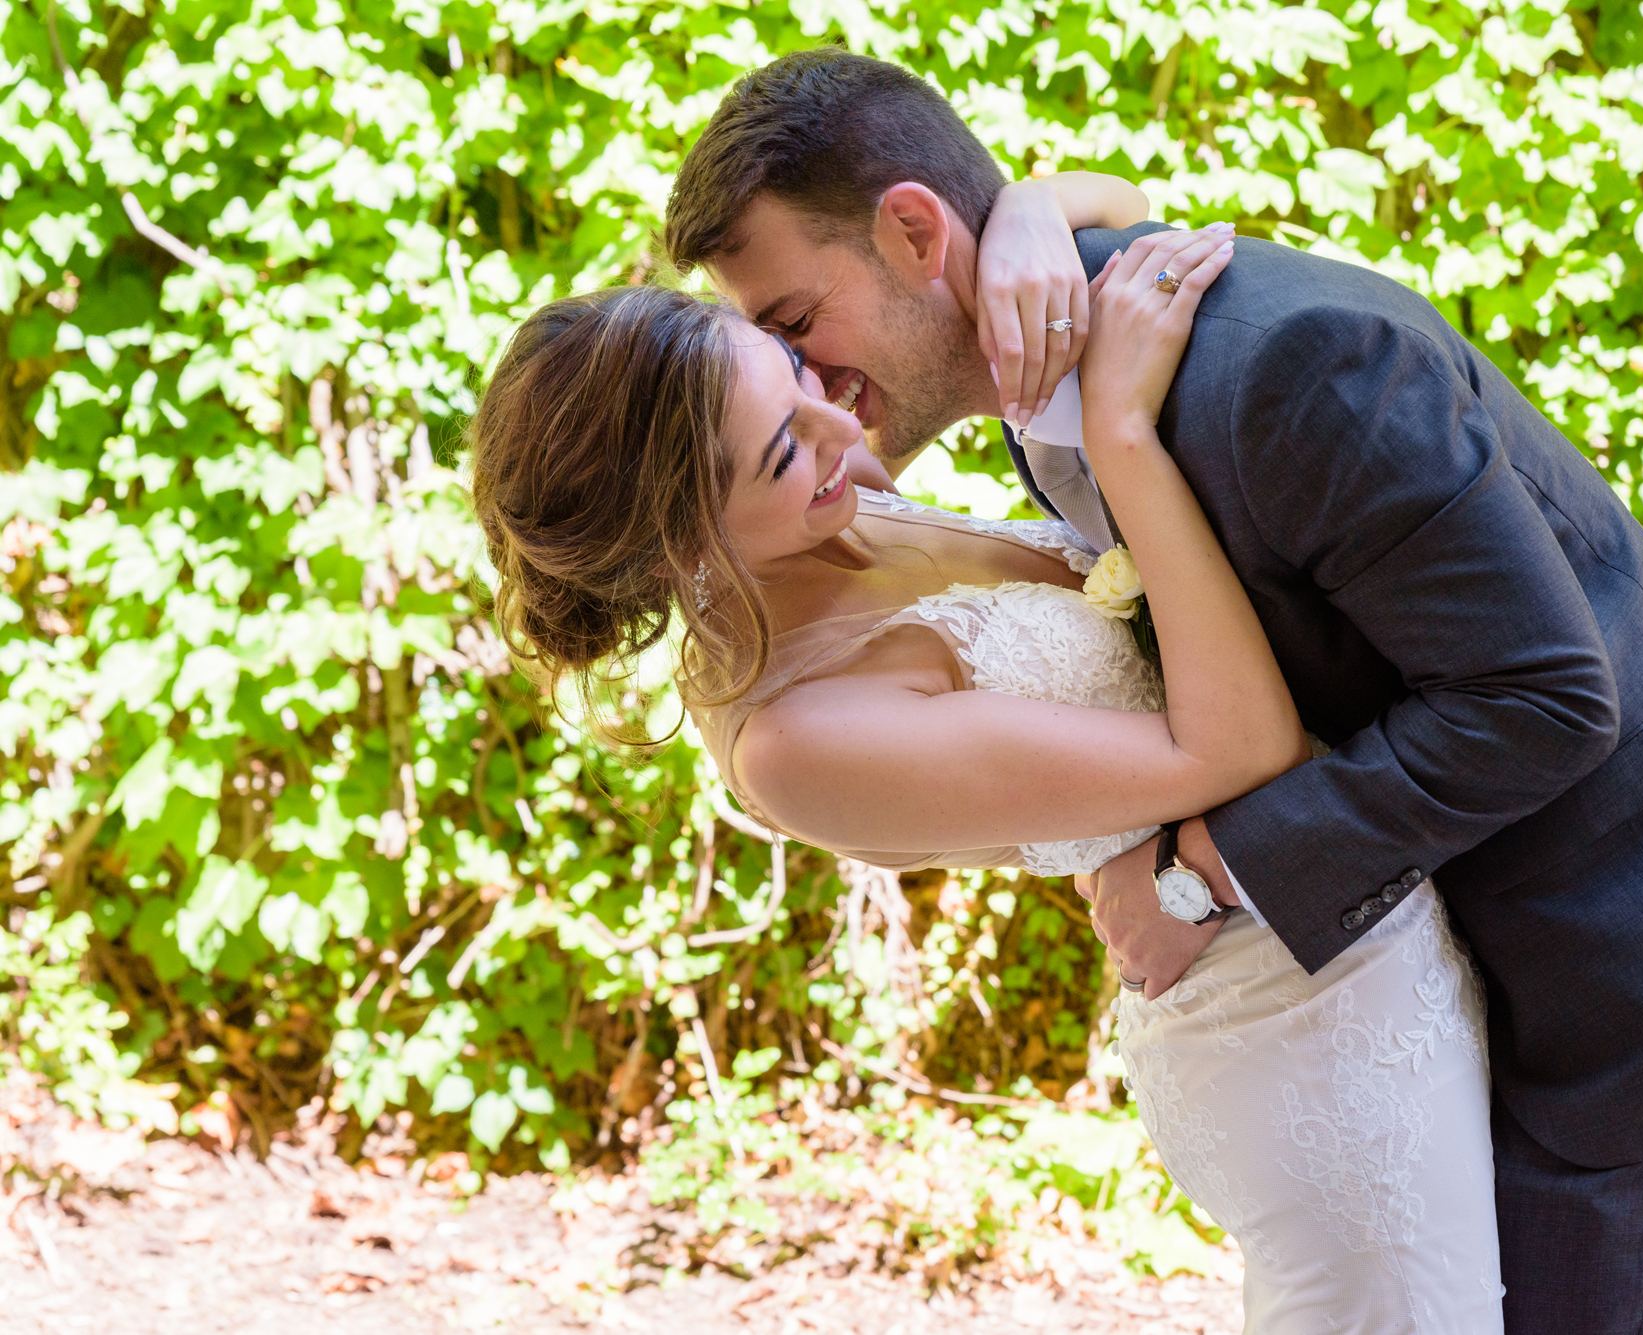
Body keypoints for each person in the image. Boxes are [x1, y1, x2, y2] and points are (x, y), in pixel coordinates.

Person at [656, 48, 1643, 1335]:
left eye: (794, 325)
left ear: (915, 232)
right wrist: (1042, 204)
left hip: (1635, 938)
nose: (810, 387)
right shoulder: (1042, 389)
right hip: (1439, 966)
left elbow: (1544, 698)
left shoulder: (1289, 370)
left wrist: (1200, 872)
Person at [472, 179, 1506, 1328]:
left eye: (799, 375)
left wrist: (1023, 211)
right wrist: (1119, 435)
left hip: (1360, 936)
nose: (838, 426)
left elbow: (1086, 221)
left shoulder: (824, 507)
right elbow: (1242, 745)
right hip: (1297, 1029)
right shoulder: (793, 738)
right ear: (677, 543)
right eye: (778, 450)